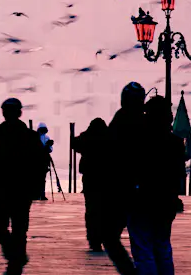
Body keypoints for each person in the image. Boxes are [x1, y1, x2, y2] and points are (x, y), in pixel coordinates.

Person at [0, 98, 45, 275]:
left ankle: (15, 255)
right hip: (20, 189)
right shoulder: (29, 135)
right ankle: (16, 255)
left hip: (7, 188)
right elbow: (40, 163)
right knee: (17, 227)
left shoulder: (0, 134)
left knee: (1, 225)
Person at [126, 95, 184, 275]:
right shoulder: (175, 143)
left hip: (141, 200)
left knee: (143, 249)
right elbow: (178, 175)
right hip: (166, 202)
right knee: (162, 246)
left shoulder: (138, 140)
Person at [102, 82, 146, 275]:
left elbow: (111, 153)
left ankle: (131, 271)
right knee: (144, 238)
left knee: (111, 236)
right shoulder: (145, 122)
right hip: (137, 187)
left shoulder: (120, 121)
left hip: (121, 188)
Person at [72, 117, 110, 252]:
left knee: (92, 209)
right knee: (105, 210)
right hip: (106, 179)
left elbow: (75, 143)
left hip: (90, 178)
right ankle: (104, 237)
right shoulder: (108, 138)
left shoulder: (86, 138)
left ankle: (93, 239)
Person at [36, 122, 53, 200]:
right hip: (36, 161)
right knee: (37, 178)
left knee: (42, 178)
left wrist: (48, 146)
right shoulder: (35, 138)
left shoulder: (47, 137)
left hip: (44, 161)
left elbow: (50, 150)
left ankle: (42, 194)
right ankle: (36, 194)